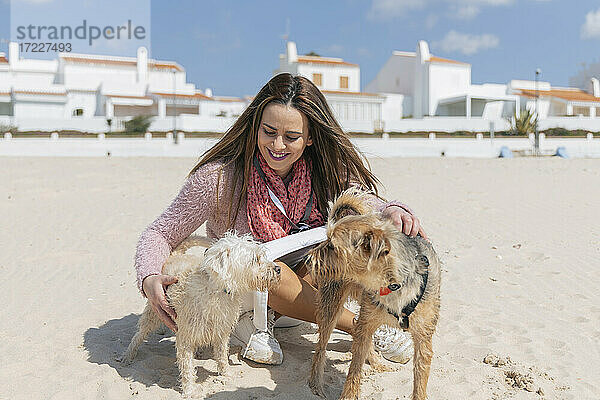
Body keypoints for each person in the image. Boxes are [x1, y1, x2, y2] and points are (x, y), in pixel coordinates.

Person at [134, 73, 427, 366]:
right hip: (249, 291)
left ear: (310, 137)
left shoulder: (325, 171)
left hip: (304, 292)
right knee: (270, 270)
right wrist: (149, 277)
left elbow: (362, 202)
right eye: (269, 132)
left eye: (291, 137)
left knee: (358, 244)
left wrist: (392, 210)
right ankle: (361, 326)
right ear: (254, 127)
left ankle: (273, 324)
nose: (277, 145)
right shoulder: (218, 178)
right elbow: (160, 233)